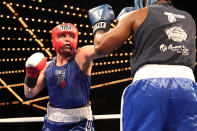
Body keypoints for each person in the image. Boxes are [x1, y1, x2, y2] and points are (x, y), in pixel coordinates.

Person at [88, 0, 197, 130]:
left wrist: (100, 25)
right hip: (187, 89)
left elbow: (100, 46)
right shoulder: (189, 19)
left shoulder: (139, 14)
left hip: (149, 86)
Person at [24, 23, 103, 131]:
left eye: (72, 36)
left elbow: (102, 49)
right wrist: (30, 75)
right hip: (52, 121)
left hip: (80, 122)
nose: (68, 39)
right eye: (63, 36)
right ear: (54, 41)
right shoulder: (46, 67)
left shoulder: (82, 56)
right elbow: (29, 93)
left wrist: (101, 27)